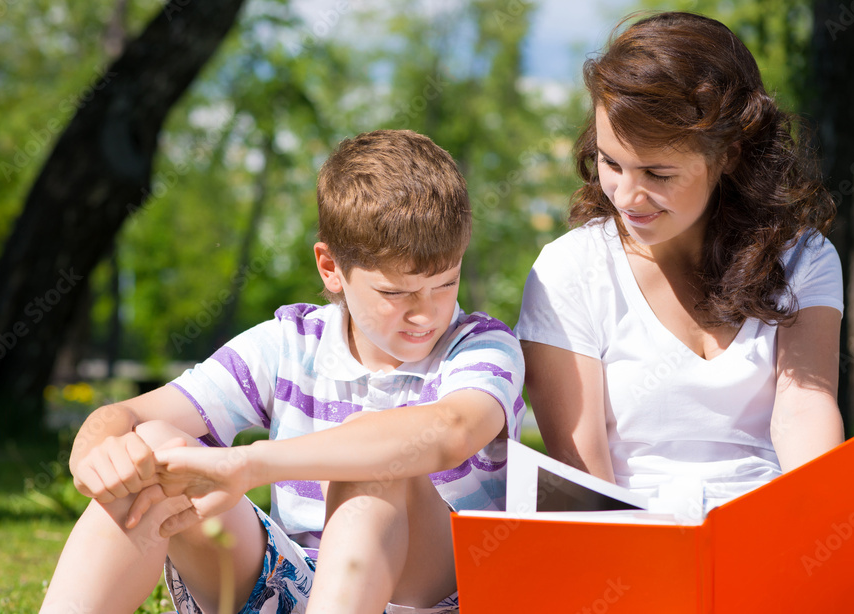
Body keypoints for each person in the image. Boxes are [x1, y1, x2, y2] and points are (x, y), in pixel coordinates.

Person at [514, 11, 854, 602]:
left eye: (658, 173)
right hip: (638, 552)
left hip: (775, 540)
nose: (627, 196)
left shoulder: (804, 258)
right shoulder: (569, 270)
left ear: (731, 154)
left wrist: (843, 539)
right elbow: (584, 475)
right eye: (612, 163)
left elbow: (804, 408)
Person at [41, 130, 525, 614]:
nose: (426, 314)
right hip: (299, 587)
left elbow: (453, 431)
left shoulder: (481, 346)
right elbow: (125, 414)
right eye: (396, 294)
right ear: (331, 267)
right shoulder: (291, 344)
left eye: (446, 283)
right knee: (152, 449)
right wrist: (93, 458)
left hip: (439, 593)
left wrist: (249, 464)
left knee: (374, 460)